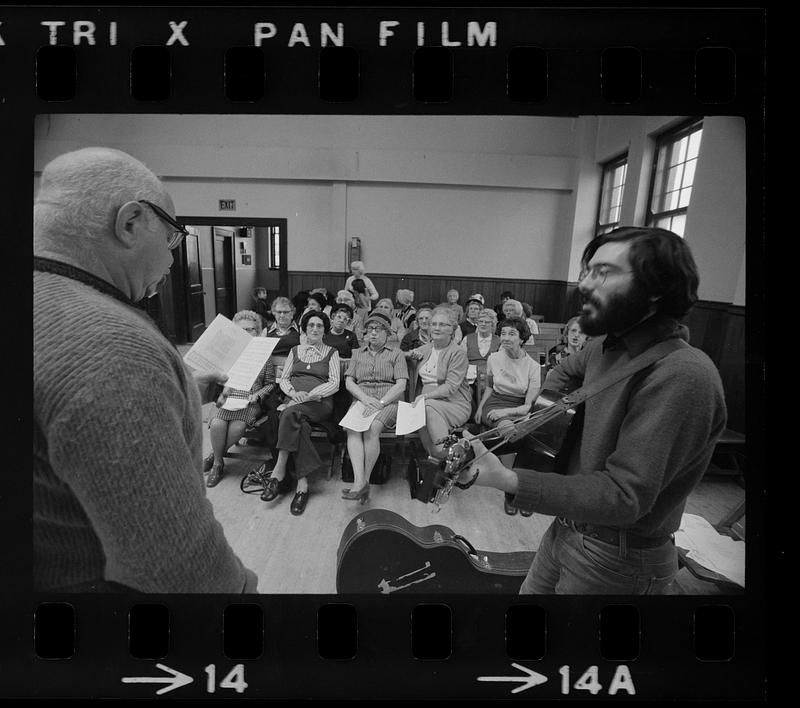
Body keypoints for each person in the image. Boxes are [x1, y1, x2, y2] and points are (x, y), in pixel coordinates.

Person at [33, 147, 258, 593]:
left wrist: (181, 395)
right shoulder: (112, 346)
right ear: (131, 222)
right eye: (172, 237)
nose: (174, 259)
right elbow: (180, 569)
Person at [458, 226, 727, 595]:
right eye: (587, 272)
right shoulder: (606, 348)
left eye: (604, 273)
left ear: (657, 289)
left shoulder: (684, 375)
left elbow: (623, 496)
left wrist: (508, 479)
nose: (584, 284)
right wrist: (545, 421)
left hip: (619, 559)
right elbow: (565, 371)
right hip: (567, 530)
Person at [260, 311, 341, 515]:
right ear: (304, 329)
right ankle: (302, 484)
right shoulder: (295, 351)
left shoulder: (332, 352)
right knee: (299, 425)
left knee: (288, 415)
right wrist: (294, 394)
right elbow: (285, 378)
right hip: (294, 400)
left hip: (319, 403)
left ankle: (279, 470)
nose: (315, 329)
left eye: (319, 326)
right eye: (311, 325)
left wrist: (310, 395)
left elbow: (334, 382)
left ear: (325, 330)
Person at [473, 316, 542, 516]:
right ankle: (511, 492)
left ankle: (519, 486)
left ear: (522, 338)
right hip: (494, 403)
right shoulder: (494, 358)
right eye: (503, 333)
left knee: (528, 436)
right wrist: (481, 408)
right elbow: (489, 387)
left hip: (519, 408)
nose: (505, 337)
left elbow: (528, 406)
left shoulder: (533, 367)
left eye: (512, 333)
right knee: (510, 432)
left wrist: (506, 412)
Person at [341, 311, 409, 503]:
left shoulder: (396, 354)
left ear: (387, 334)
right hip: (363, 400)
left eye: (378, 330)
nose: (373, 333)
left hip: (388, 400)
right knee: (352, 430)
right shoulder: (357, 353)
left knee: (372, 428)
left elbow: (401, 385)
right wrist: (364, 398)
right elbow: (349, 382)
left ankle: (365, 481)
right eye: (370, 329)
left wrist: (380, 403)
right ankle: (359, 483)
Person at [203, 310, 276, 488]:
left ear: (258, 332)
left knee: (238, 426)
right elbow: (214, 381)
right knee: (218, 424)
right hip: (226, 398)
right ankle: (218, 464)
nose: (246, 332)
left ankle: (215, 457)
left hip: (249, 402)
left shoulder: (263, 355)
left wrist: (257, 396)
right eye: (242, 329)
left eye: (251, 329)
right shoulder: (226, 354)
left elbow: (270, 383)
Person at [410, 306, 472, 460]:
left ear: (452, 329)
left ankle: (448, 458)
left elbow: (451, 387)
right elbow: (403, 356)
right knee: (424, 413)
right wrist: (408, 356)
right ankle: (442, 464)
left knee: (428, 408)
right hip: (425, 404)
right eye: (434, 324)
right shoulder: (424, 350)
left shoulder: (457, 353)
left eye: (443, 325)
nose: (436, 328)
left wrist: (425, 397)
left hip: (454, 403)